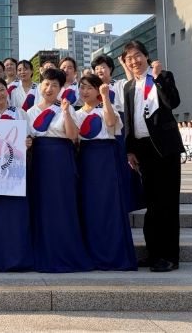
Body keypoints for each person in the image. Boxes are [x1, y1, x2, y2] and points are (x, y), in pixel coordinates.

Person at [122, 40, 183, 273]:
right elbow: (129, 120)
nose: (134, 61)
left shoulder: (163, 76)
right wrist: (129, 149)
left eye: (137, 55)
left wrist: (157, 78)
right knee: (152, 204)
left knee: (167, 203)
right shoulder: (129, 86)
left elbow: (173, 102)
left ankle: (170, 257)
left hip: (165, 148)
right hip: (143, 150)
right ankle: (154, 253)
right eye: (129, 58)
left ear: (146, 56)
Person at [26, 69, 93, 273]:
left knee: (63, 204)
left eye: (55, 85)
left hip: (62, 159)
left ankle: (66, 251)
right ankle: (43, 252)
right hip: (40, 160)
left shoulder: (66, 107)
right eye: (46, 84)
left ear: (61, 88)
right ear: (41, 85)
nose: (49, 88)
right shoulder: (30, 112)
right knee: (42, 205)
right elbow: (27, 138)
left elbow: (73, 136)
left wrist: (65, 112)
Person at [76, 74, 137, 271]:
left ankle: (112, 254)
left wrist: (105, 98)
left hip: (105, 159)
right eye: (82, 87)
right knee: (89, 206)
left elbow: (111, 123)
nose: (85, 91)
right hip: (85, 160)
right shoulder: (76, 113)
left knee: (108, 205)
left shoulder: (106, 108)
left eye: (89, 87)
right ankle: (92, 252)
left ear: (97, 89)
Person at [0, 77, 33, 272]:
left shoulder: (20, 113)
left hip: (16, 170)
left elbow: (29, 137)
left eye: (2, 89)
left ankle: (19, 257)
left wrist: (28, 143)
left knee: (16, 215)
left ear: (7, 91)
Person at [91, 54, 143, 212]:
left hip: (119, 126)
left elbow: (132, 83)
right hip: (101, 128)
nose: (99, 70)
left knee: (122, 164)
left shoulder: (119, 84)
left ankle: (127, 202)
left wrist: (124, 64)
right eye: (96, 68)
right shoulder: (92, 89)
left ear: (111, 69)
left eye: (103, 67)